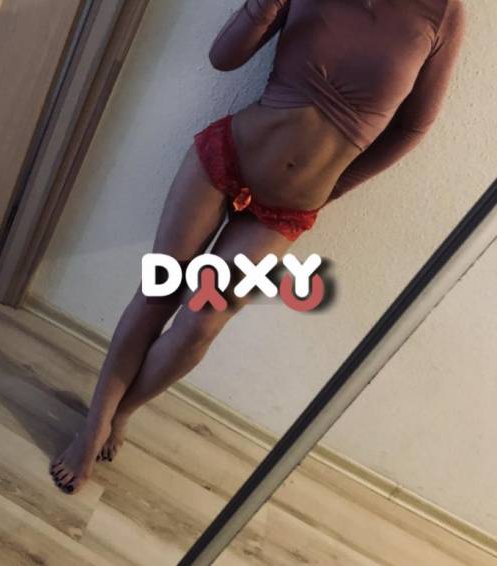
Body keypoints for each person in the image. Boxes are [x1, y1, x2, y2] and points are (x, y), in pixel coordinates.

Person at [50, 0, 466, 493]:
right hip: (225, 158)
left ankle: (123, 411)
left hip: (286, 210)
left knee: (199, 325)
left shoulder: (444, 11)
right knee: (159, 292)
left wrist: (333, 186)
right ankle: (94, 426)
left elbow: (412, 126)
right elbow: (223, 58)